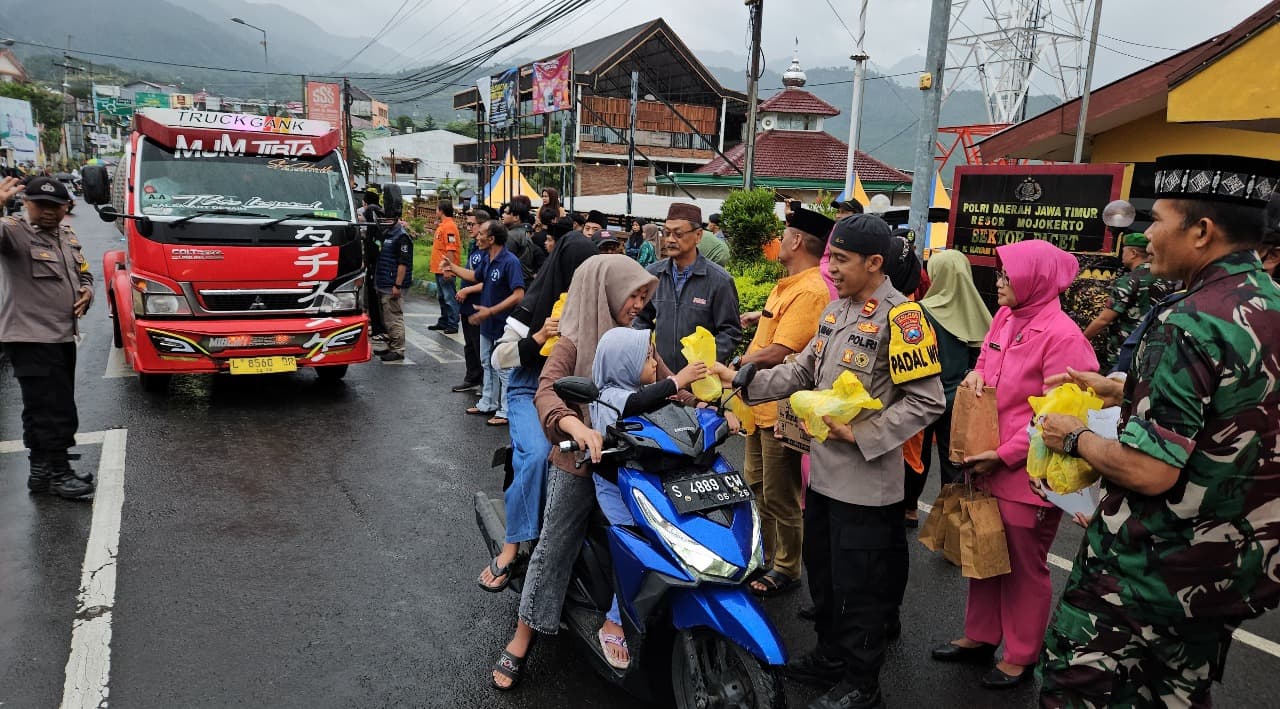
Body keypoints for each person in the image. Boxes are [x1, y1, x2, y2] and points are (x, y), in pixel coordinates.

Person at [1037, 154, 1280, 708]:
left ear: (1201, 231)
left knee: (1078, 691)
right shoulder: (1269, 304)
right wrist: (1126, 390)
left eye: (1159, 219)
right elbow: (1245, 402)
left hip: (1147, 575)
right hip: (1229, 574)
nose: (1146, 235)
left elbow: (1149, 470)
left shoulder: (1188, 320)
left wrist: (1073, 436)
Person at [717, 214, 945, 709]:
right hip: (822, 475)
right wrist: (743, 380)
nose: (831, 268)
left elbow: (927, 401)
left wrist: (863, 432)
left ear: (875, 263)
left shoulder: (903, 319)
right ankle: (830, 657)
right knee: (824, 576)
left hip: (866, 484)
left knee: (860, 588)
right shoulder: (838, 309)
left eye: (840, 260)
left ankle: (863, 684)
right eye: (830, 259)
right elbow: (802, 370)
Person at [930, 239, 1099, 689]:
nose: (999, 283)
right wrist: (975, 373)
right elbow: (984, 360)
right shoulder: (1006, 316)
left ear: (1034, 280)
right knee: (984, 549)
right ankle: (981, 635)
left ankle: (1021, 654)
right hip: (985, 460)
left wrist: (1002, 455)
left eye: (1007, 275)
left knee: (1025, 566)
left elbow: (1059, 417)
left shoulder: (1064, 336)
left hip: (1027, 474)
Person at [489, 255, 661, 691]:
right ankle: (521, 638)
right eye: (633, 295)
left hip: (635, 459)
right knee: (554, 545)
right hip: (579, 461)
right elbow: (546, 392)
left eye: (644, 295)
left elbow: (666, 381)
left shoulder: (639, 338)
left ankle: (624, 618)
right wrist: (575, 426)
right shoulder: (569, 341)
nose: (639, 303)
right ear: (604, 293)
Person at [475, 218, 597, 593]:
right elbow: (499, 358)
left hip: (576, 394)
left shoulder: (595, 308)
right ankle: (513, 546)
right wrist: (538, 337)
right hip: (529, 392)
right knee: (541, 453)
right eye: (576, 273)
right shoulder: (533, 306)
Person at [587, 326, 708, 670]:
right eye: (647, 356)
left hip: (648, 484)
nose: (655, 362)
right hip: (617, 490)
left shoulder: (640, 389)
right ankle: (613, 620)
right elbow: (639, 403)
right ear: (624, 363)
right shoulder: (610, 394)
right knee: (637, 549)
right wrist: (678, 380)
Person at [737, 206, 833, 597]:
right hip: (757, 405)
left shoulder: (810, 290)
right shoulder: (788, 285)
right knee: (757, 486)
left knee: (781, 493)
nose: (779, 239)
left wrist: (736, 365)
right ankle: (767, 554)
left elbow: (782, 351)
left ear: (796, 241)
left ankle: (787, 568)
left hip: (779, 405)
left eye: (784, 232)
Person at [0, 176, 95, 499]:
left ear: (67, 206)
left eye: (56, 206)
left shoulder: (66, 235)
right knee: (54, 410)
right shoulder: (14, 232)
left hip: (61, 336)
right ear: (26, 203)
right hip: (31, 338)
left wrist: (87, 289)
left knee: (43, 407)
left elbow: (83, 270)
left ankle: (40, 474)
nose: (49, 212)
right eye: (41, 205)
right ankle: (58, 474)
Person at [634, 202, 742, 371]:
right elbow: (640, 318)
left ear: (698, 235)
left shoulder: (719, 281)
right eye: (667, 233)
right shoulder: (654, 274)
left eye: (678, 234)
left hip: (701, 381)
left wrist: (704, 363)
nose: (670, 239)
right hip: (661, 379)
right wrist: (647, 353)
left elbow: (730, 332)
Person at [917, 250, 990, 490]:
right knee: (954, 464)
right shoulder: (981, 314)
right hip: (960, 400)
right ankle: (951, 515)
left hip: (921, 396)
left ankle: (909, 509)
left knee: (917, 456)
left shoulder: (920, 311)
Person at [445, 220, 525, 426]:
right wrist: (452, 267)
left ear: (491, 239)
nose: (477, 236)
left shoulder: (510, 262)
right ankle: (487, 403)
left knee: (504, 368)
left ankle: (506, 411)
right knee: (486, 363)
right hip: (487, 324)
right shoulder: (488, 259)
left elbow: (518, 295)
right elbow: (473, 276)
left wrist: (491, 310)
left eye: (481, 233)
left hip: (503, 324)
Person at [1082, 231, 1176, 372]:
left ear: (1133, 253)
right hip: (1153, 350)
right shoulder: (1166, 279)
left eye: (1124, 251)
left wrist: (1081, 339)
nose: (1122, 256)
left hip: (1124, 353)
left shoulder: (1129, 280)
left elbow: (1104, 319)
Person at [452, 208, 491, 393]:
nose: (468, 228)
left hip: (479, 304)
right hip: (467, 305)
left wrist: (467, 289)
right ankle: (472, 377)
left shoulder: (489, 250)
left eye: (471, 224)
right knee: (469, 344)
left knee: (479, 345)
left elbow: (486, 280)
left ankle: (485, 383)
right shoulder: (475, 247)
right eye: (466, 224)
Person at [374, 216, 414, 362]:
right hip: (384, 282)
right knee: (388, 317)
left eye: (388, 217)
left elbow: (403, 263)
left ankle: (398, 349)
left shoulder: (401, 236)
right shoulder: (388, 233)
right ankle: (392, 345)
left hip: (392, 284)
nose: (384, 220)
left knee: (394, 317)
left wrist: (397, 285)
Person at [357, 191, 387, 343]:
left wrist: (367, 260)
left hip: (374, 265)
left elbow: (373, 244)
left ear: (365, 203)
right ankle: (377, 327)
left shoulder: (371, 212)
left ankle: (378, 329)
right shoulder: (382, 215)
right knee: (375, 299)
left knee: (374, 299)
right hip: (377, 264)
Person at [428, 201, 461, 334]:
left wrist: (448, 269)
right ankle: (444, 321)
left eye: (437, 209)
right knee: (442, 297)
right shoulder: (443, 226)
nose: (436, 212)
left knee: (449, 297)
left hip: (445, 270)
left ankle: (453, 323)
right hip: (439, 269)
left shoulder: (449, 227)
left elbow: (451, 250)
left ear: (441, 211)